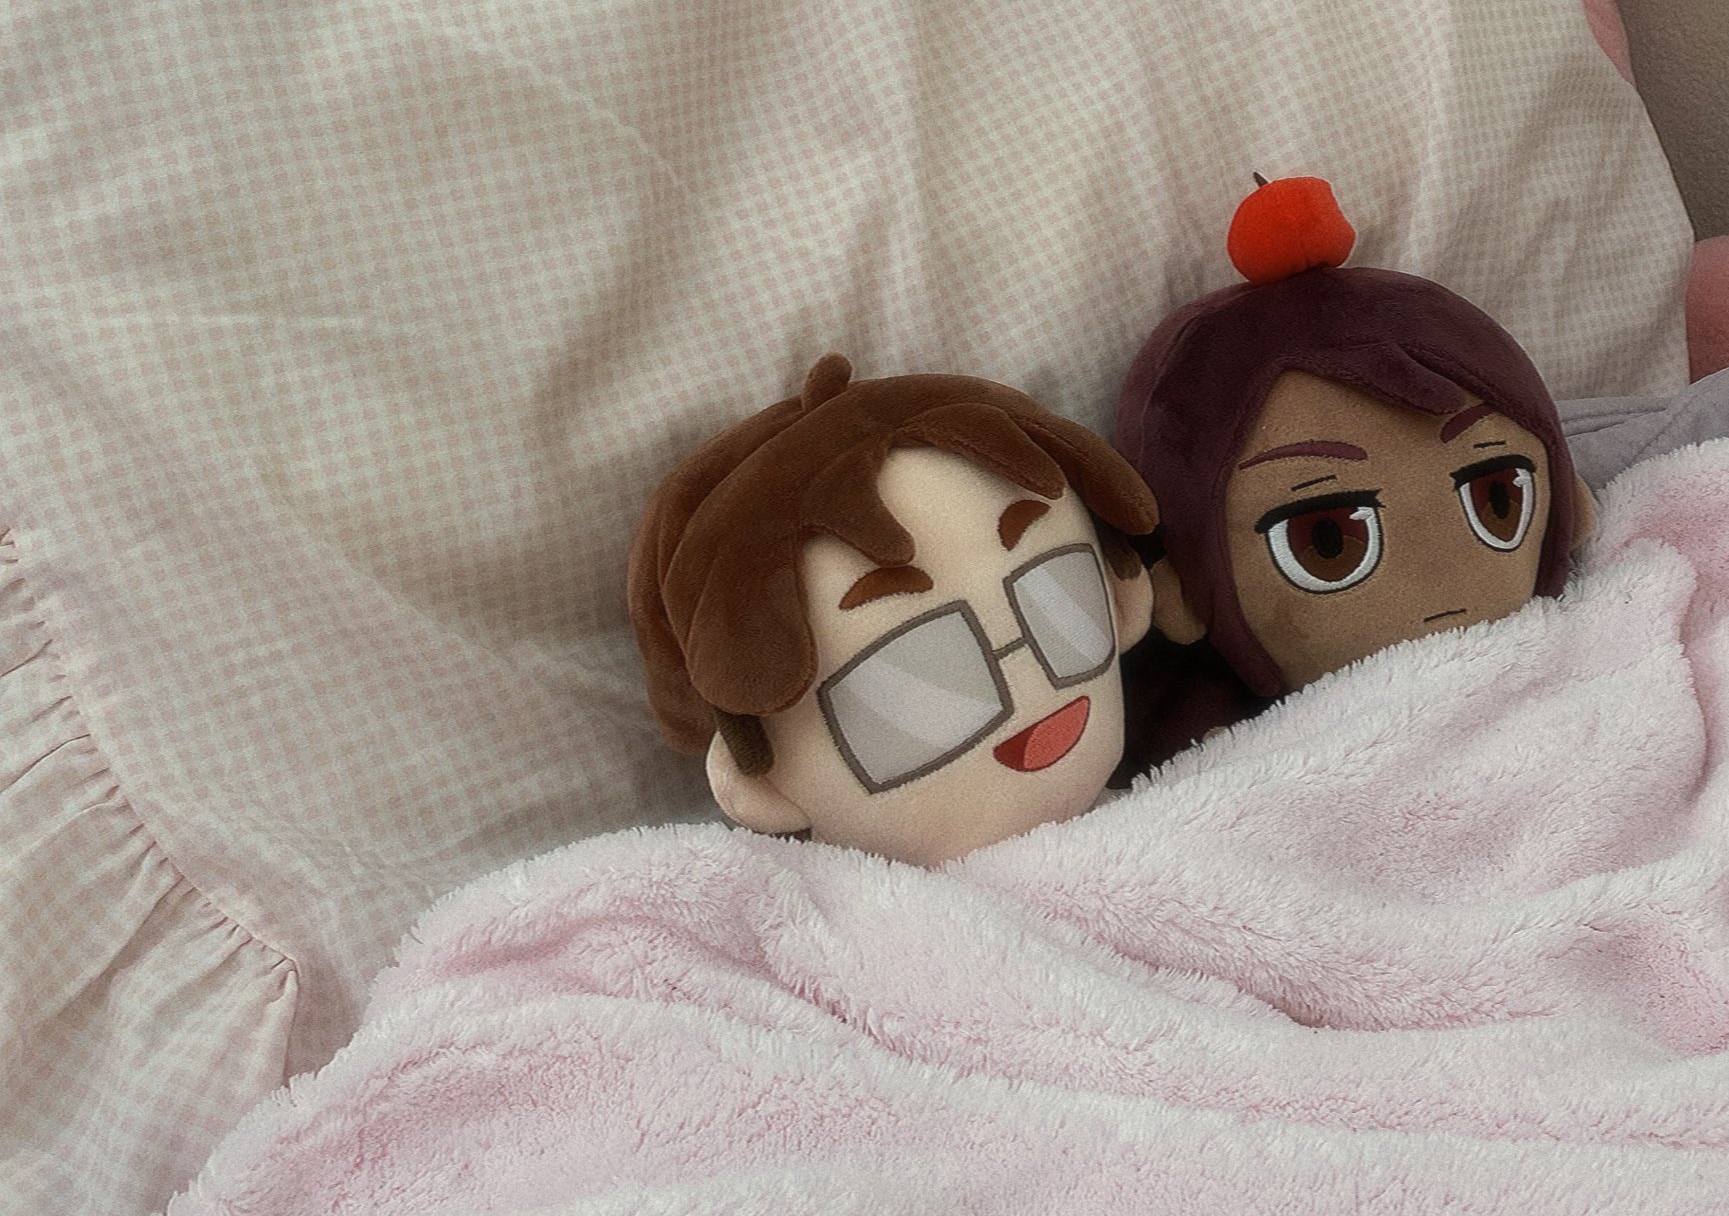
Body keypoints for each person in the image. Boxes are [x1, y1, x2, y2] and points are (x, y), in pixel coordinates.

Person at [1115, 178, 1596, 775]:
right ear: (1184, 596)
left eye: (1496, 497)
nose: (1436, 576)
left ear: (1568, 503)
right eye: (1328, 538)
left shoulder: (1627, 617)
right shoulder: (1218, 757)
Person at [629, 354, 1157, 864]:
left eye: (1055, 597)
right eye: (921, 670)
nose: (1026, 678)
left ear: (1121, 599)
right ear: (759, 783)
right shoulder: (797, 908)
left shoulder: (1190, 797)